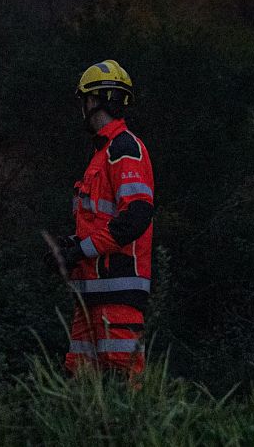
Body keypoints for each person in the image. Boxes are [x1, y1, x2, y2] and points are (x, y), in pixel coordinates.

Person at [47, 60, 156, 377]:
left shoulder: (124, 148)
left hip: (118, 293)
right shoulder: (102, 155)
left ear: (93, 100)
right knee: (78, 387)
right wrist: (68, 247)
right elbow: (101, 222)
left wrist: (80, 251)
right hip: (90, 294)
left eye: (84, 100)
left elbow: (135, 217)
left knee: (123, 388)